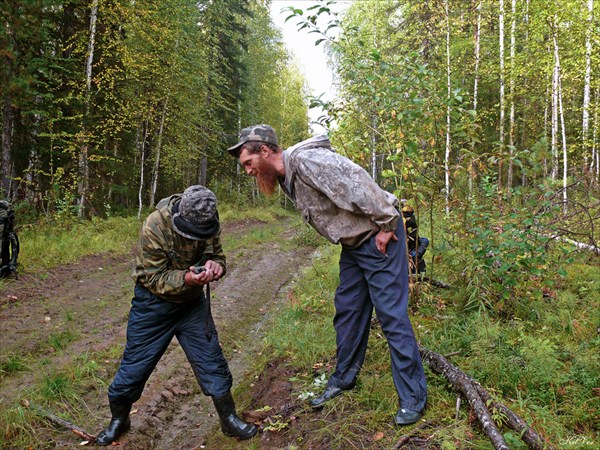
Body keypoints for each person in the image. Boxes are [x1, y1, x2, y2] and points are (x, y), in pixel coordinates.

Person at [227, 125, 427, 426]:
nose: (248, 171)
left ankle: (413, 398)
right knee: (348, 311)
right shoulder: (286, 175)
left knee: (392, 317)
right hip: (355, 244)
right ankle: (343, 379)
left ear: (265, 151)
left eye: (248, 163)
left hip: (379, 237)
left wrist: (387, 224)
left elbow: (357, 183)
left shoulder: (307, 162)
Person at [96, 185, 257, 445]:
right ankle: (119, 420)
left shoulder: (208, 219)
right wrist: (188, 278)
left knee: (212, 361)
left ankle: (228, 420)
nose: (196, 238)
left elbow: (216, 255)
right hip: (153, 305)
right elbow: (153, 277)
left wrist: (216, 267)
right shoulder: (155, 226)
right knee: (134, 369)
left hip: (192, 307)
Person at [401, 204, 429, 275]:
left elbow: (414, 233)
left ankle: (415, 258)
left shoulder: (411, 218)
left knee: (425, 241)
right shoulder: (398, 219)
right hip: (402, 248)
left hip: (413, 245)